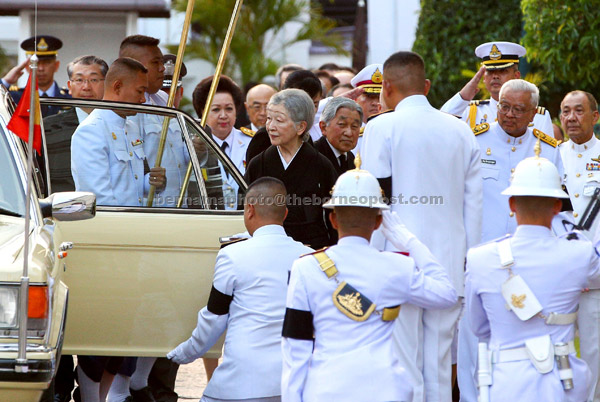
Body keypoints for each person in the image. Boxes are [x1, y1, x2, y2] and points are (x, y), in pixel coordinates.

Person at [361, 51, 482, 402]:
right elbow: (472, 206)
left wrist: (370, 259)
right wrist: (468, 259)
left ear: (386, 87)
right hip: (449, 260)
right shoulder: (460, 130)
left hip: (399, 260)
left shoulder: (381, 127)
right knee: (440, 363)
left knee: (404, 360)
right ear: (425, 86)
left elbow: (376, 203)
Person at [281, 163, 458, 401]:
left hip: (326, 389)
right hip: (384, 390)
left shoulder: (306, 267)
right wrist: (410, 242)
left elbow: (295, 345)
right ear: (377, 222)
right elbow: (447, 294)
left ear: (333, 219)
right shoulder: (397, 267)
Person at [456, 78, 563, 402]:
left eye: (519, 109)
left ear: (534, 114)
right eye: (504, 106)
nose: (510, 115)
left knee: (526, 329)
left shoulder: (548, 149)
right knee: (472, 333)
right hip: (482, 253)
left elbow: (558, 207)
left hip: (530, 256)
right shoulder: (474, 140)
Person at [465, 153, 600, 401]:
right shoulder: (578, 254)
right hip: (562, 382)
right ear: (558, 207)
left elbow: (479, 327)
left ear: (512, 204)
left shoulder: (480, 258)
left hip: (506, 380)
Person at [71, 57, 166, 402]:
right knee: (102, 333)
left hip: (131, 241)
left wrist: (149, 183)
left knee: (123, 333)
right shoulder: (91, 131)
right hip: (109, 245)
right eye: (140, 91)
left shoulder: (128, 125)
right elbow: (102, 198)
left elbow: (129, 188)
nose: (144, 99)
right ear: (117, 87)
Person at [168, 177, 312, 402]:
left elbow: (214, 319)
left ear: (249, 210)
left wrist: (183, 353)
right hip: (294, 383)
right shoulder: (307, 256)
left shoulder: (232, 255)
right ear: (285, 214)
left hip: (242, 382)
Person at [244, 88, 337, 249]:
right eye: (268, 119)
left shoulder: (321, 165)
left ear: (301, 127)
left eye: (279, 120)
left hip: (311, 248)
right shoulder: (259, 163)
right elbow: (245, 208)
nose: (270, 127)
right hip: (267, 246)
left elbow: (333, 216)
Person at [559, 90, 600, 401]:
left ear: (594, 117)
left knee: (593, 353)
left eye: (578, 111)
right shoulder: (549, 156)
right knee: (554, 351)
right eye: (565, 111)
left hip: (596, 274)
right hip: (558, 275)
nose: (571, 118)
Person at [440, 41, 553, 136]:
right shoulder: (470, 111)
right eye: (490, 71)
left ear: (516, 76)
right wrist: (464, 96)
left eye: (503, 71)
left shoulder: (538, 115)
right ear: (484, 77)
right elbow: (441, 121)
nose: (495, 76)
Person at [44, 55, 108, 193]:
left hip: (111, 209)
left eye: (94, 80)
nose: (86, 87)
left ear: (106, 84)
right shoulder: (49, 128)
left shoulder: (121, 125)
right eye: (79, 80)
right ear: (69, 87)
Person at [193, 74, 252, 209]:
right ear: (202, 112)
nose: (224, 115)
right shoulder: (194, 146)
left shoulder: (251, 142)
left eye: (229, 108)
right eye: (216, 109)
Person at [1, 35, 70, 117]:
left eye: (46, 63)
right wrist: (5, 81)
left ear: (56, 65)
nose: (41, 68)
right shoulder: (14, 97)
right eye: (36, 63)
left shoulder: (69, 98)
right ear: (27, 67)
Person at [315, 96, 362, 177]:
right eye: (342, 124)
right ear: (323, 127)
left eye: (354, 126)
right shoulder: (313, 156)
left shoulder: (351, 158)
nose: (349, 133)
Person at [119, 35, 167, 107]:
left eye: (162, 61)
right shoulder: (117, 105)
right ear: (133, 66)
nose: (162, 68)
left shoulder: (164, 98)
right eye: (155, 62)